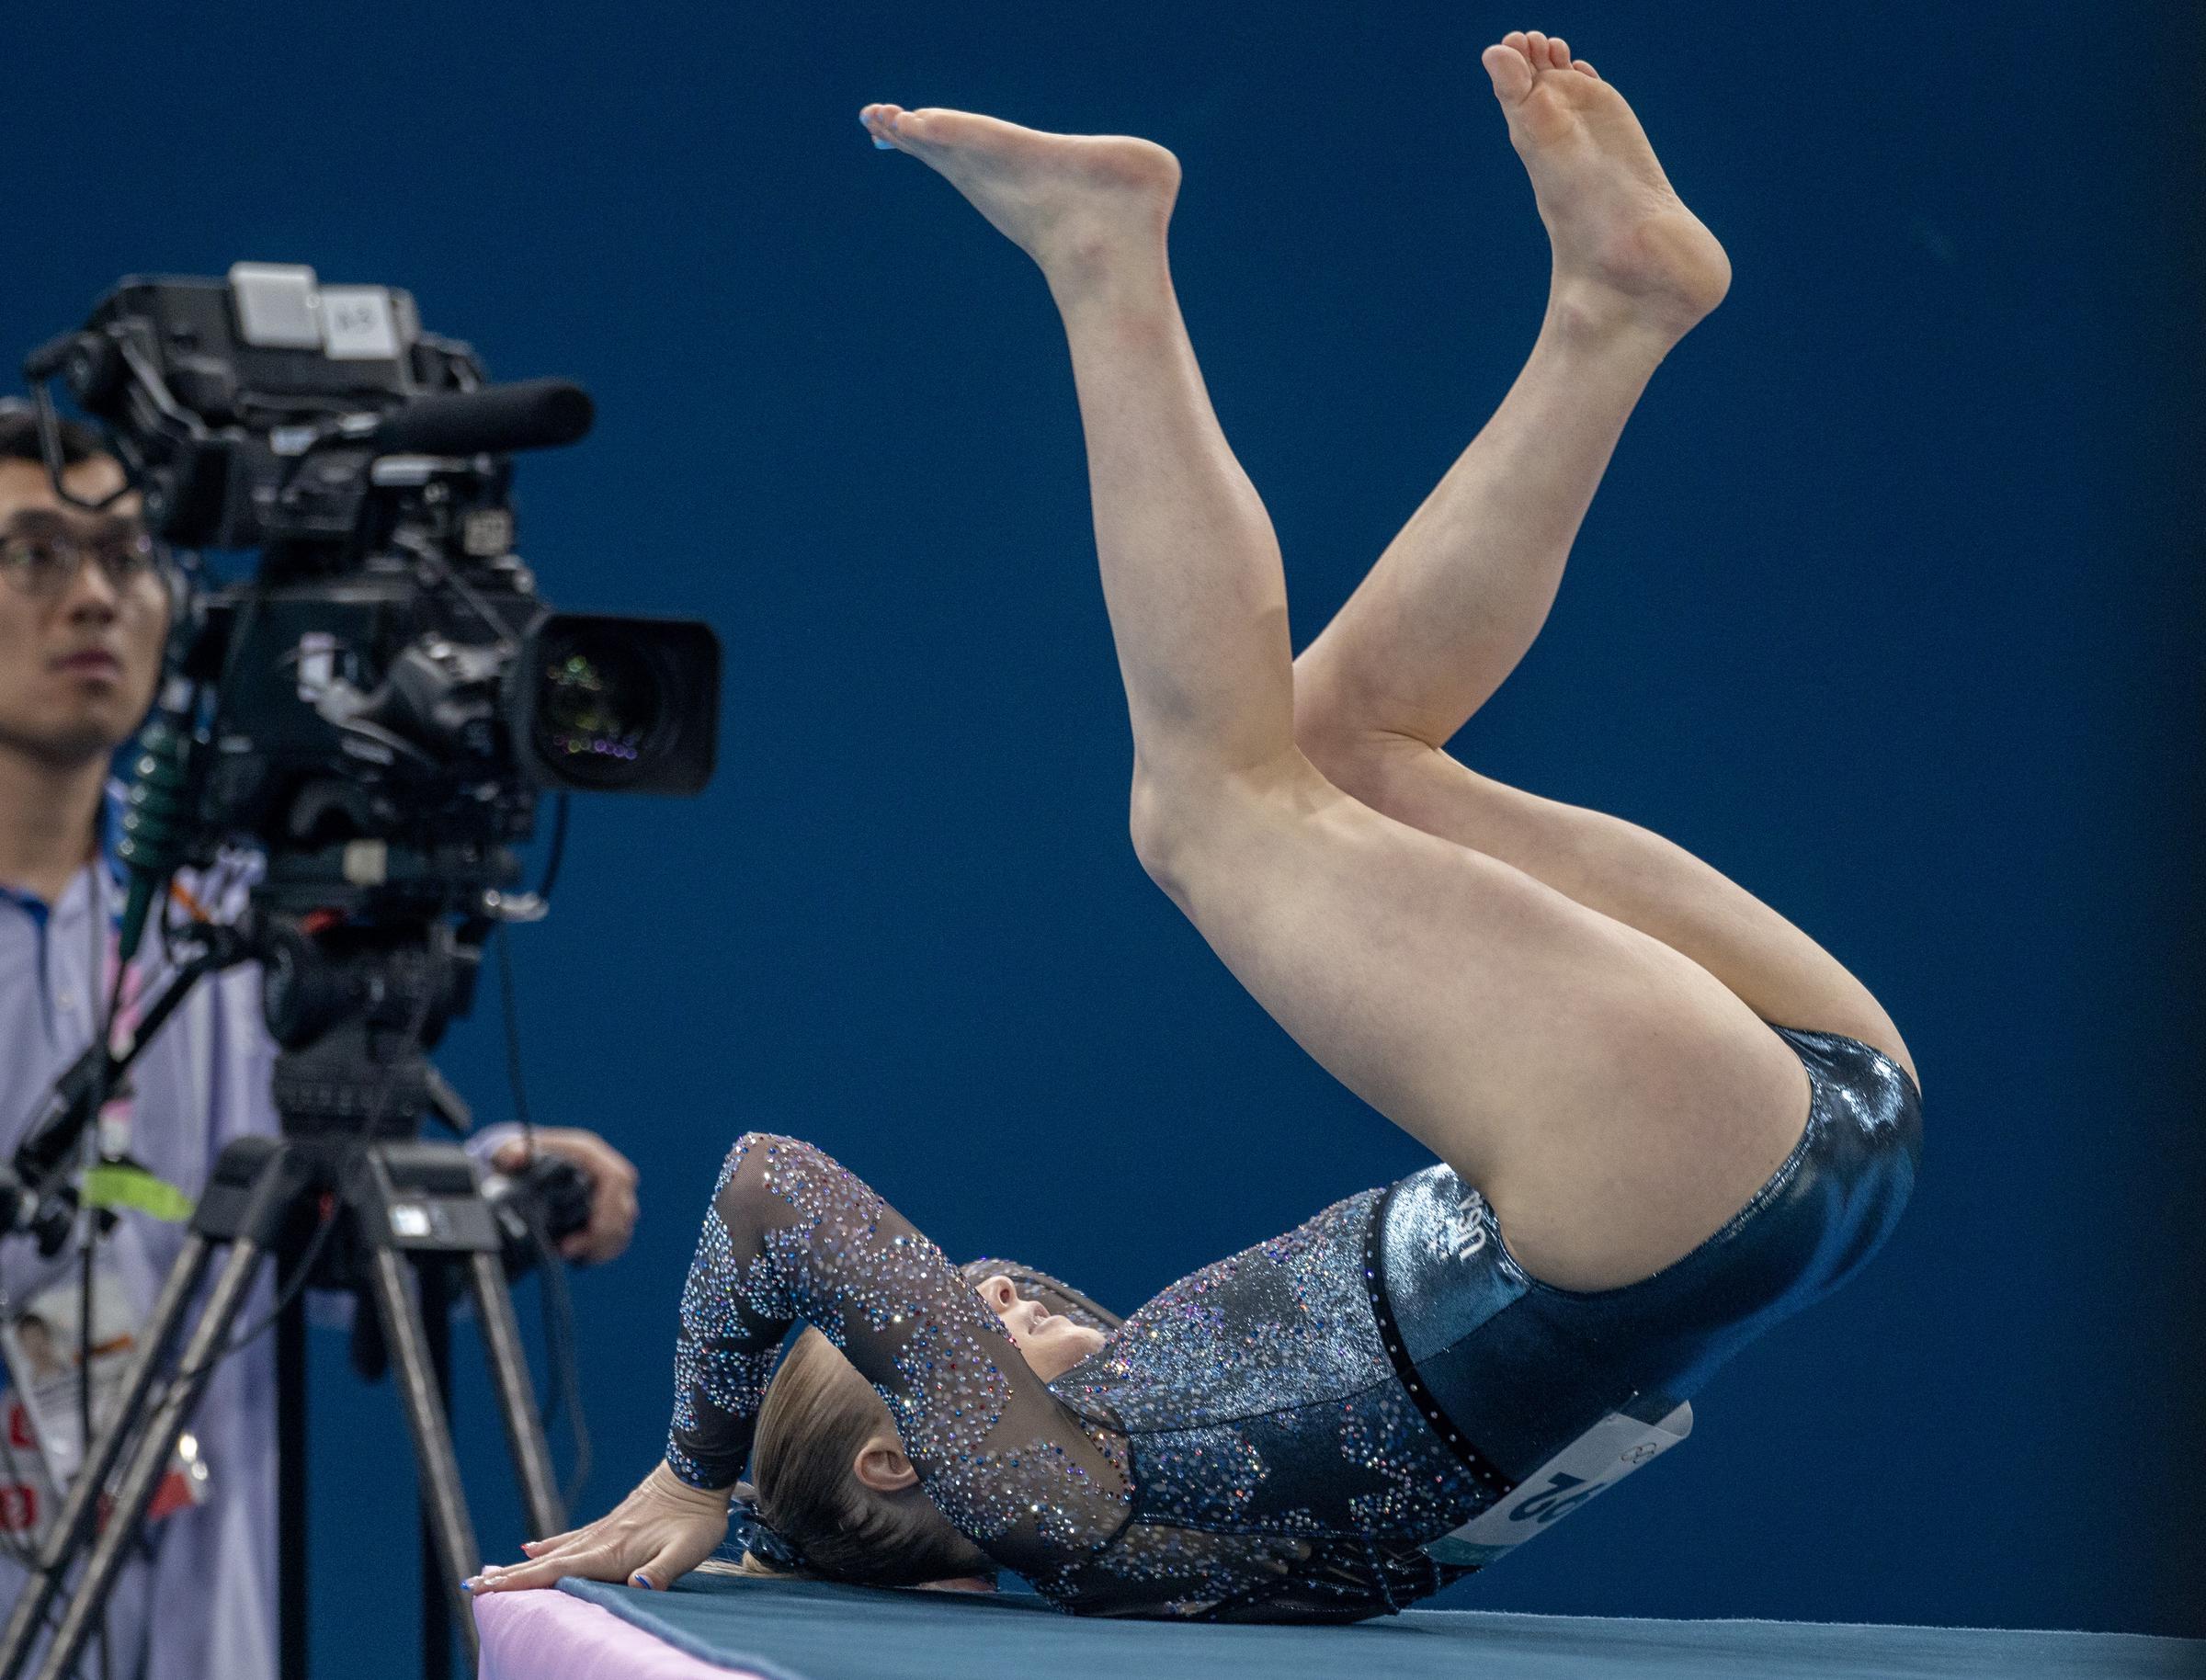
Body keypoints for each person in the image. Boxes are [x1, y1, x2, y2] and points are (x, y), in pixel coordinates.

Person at [472, 32, 1922, 1621]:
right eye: (937, 1329)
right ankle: (1105, 256)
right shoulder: (1068, 1506)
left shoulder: (1177, 1529)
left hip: (1813, 1128)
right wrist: (700, 1467)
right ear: (910, 1465)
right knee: (1202, 811)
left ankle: (1614, 312)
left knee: (1343, 746)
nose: (978, 1282)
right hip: (1664, 1184)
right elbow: (771, 1193)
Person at [0, 405, 644, 1676]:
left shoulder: (233, 906)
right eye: (32, 553)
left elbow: (321, 1137)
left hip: (203, 1557)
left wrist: (490, 1169)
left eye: (129, 556)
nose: (93, 598)